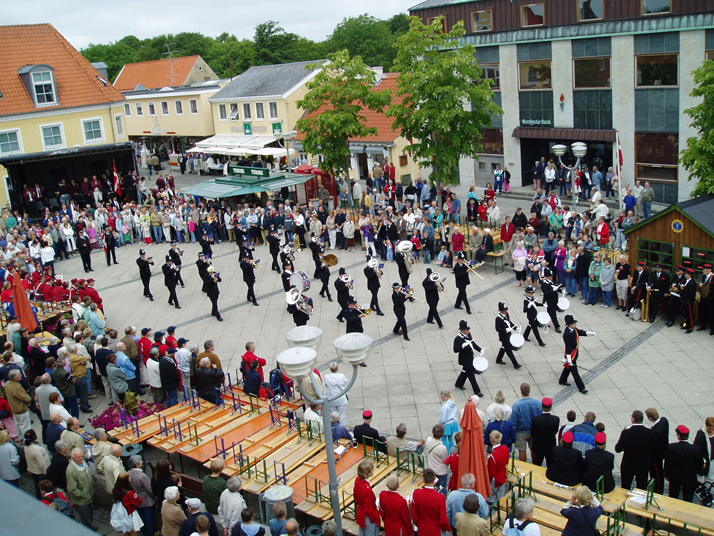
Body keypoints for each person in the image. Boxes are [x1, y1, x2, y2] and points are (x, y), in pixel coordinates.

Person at [615, 409, 656, 490]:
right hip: (643, 466)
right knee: (641, 489)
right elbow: (654, 450)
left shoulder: (626, 433)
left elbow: (618, 449)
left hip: (628, 465)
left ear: (633, 419)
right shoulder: (650, 433)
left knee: (625, 488)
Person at [665, 424, 706, 502]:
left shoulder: (672, 447)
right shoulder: (696, 449)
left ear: (679, 436)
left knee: (673, 498)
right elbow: (700, 463)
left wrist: (667, 474)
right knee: (688, 499)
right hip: (689, 478)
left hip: (675, 477)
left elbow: (667, 463)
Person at [559, 315, 593, 394]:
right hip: (570, 355)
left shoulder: (574, 329)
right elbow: (568, 347)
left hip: (575, 353)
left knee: (568, 368)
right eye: (574, 323)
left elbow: (580, 332)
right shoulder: (567, 334)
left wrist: (590, 333)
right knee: (575, 372)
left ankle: (562, 380)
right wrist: (569, 359)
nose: (575, 324)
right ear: (570, 324)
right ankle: (581, 387)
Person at [411, 468, 450, 536]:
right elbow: (443, 520)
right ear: (434, 480)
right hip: (436, 530)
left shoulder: (416, 494)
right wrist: (446, 528)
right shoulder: (440, 497)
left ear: (424, 480)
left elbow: (414, 514)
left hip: (422, 529)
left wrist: (419, 524)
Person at [511, 383, 542, 462]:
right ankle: (535, 464)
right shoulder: (537, 403)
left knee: (522, 450)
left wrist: (512, 433)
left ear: (521, 392)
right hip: (534, 431)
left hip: (521, 432)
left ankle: (524, 466)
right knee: (533, 449)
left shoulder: (517, 406)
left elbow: (514, 421)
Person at [67, 447, 96, 529]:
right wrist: (83, 494)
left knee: (90, 515)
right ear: (73, 458)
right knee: (85, 519)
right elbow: (72, 489)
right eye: (78, 457)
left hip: (88, 495)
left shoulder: (83, 463)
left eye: (81, 456)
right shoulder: (71, 470)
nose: (80, 459)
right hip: (82, 500)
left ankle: (91, 527)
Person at [453, 320, 484, 397]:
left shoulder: (468, 334)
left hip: (470, 357)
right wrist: (462, 347)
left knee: (465, 371)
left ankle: (459, 383)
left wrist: (480, 349)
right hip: (465, 359)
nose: (468, 330)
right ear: (462, 330)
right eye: (467, 329)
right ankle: (477, 391)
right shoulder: (458, 338)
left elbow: (472, 343)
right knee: (471, 375)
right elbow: (455, 349)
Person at [128, 455, 156, 536]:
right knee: (149, 519)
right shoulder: (142, 476)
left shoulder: (129, 473)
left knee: (141, 518)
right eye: (140, 461)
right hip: (146, 501)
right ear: (137, 465)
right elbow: (149, 489)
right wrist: (155, 497)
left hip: (136, 500)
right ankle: (151, 533)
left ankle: (144, 533)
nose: (142, 462)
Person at [530, 397, 559, 467]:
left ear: (542, 406)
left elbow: (533, 433)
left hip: (538, 445)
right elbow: (555, 431)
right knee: (550, 464)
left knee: (537, 464)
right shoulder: (556, 419)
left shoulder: (536, 420)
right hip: (550, 445)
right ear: (551, 407)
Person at [113, 472, 144, 536]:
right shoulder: (129, 493)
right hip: (131, 514)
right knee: (134, 530)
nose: (130, 478)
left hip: (123, 514)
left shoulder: (116, 490)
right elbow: (139, 502)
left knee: (126, 531)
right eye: (128, 477)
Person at [355, 460, 380, 536]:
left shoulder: (358, 480)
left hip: (361, 513)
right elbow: (368, 507)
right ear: (368, 473)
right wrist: (373, 518)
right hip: (368, 517)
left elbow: (355, 495)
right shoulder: (367, 490)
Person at [5, 369, 32, 436]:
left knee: (18, 425)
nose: (21, 375)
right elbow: (25, 397)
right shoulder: (16, 387)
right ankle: (27, 439)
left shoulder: (8, 383)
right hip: (21, 409)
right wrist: (29, 399)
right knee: (25, 427)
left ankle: (21, 439)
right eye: (20, 375)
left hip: (14, 408)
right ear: (15, 378)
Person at [425, 424, 450, 494]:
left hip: (431, 468)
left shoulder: (428, 439)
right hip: (441, 472)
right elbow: (446, 460)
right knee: (442, 490)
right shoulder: (442, 448)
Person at [495, 302, 521, 368]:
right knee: (508, 350)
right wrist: (505, 329)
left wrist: (515, 328)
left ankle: (498, 359)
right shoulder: (498, 318)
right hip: (503, 336)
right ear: (501, 311)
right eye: (504, 310)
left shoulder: (506, 315)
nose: (506, 311)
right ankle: (515, 364)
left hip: (508, 335)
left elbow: (509, 322)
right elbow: (497, 328)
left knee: (504, 347)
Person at [487, 431, 510, 503]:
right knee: (501, 497)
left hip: (494, 480)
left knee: (489, 496)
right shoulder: (506, 448)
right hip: (503, 475)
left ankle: (495, 506)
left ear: (491, 440)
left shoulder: (492, 456)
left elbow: (490, 472)